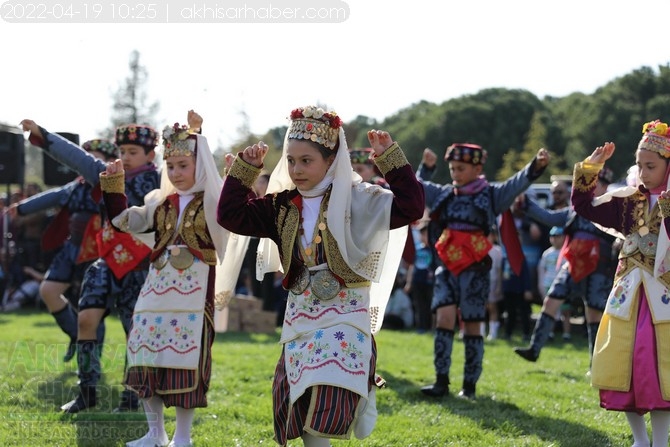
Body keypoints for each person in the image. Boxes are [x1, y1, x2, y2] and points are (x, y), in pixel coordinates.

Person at [217, 105, 425, 447]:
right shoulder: (280, 206)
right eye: (291, 160)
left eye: (306, 160)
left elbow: (411, 208)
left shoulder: (360, 200)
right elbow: (230, 215)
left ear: (330, 160)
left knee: (325, 390)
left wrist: (391, 160)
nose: (296, 169)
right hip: (300, 316)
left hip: (346, 313)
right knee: (301, 397)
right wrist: (245, 171)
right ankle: (361, 388)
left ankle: (361, 386)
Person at [101, 115, 248, 447]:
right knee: (145, 355)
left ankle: (183, 437)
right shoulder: (158, 201)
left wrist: (233, 171)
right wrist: (114, 188)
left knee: (186, 360)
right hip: (155, 292)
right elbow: (125, 220)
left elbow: (236, 215)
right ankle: (155, 434)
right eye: (170, 166)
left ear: (200, 164)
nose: (176, 173)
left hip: (195, 296)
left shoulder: (214, 199)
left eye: (183, 165)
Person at [20, 117, 161, 414]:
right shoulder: (109, 174)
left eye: (133, 151)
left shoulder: (163, 181)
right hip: (106, 260)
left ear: (150, 155)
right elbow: (78, 158)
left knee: (134, 333)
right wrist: (44, 136)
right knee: (85, 321)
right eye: (122, 151)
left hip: (142, 266)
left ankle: (131, 396)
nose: (125, 157)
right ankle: (87, 392)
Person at [417, 143, 549, 399]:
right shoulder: (444, 194)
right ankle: (441, 381)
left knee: (472, 324)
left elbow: (515, 184)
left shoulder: (491, 195)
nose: (455, 173)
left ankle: (469, 385)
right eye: (452, 168)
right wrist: (426, 168)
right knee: (443, 318)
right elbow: (415, 188)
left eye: (461, 168)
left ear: (477, 168)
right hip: (446, 267)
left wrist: (535, 166)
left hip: (475, 269)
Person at [571, 120, 670, 447]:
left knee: (657, 369)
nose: (643, 172)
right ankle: (640, 440)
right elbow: (583, 206)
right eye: (639, 165)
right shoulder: (627, 201)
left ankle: (660, 442)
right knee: (624, 364)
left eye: (651, 166)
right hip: (627, 296)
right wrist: (590, 169)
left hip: (664, 299)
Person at [7, 139, 117, 361]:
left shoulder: (112, 186)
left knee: (94, 310)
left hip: (97, 253)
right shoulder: (75, 186)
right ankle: (76, 334)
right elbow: (53, 196)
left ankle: (90, 369)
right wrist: (22, 208)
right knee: (48, 290)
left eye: (97, 158)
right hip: (72, 248)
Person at [513, 167, 617, 364]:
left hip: (599, 268)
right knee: (551, 300)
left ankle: (595, 364)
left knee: (594, 314)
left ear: (605, 187)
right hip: (572, 264)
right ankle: (534, 349)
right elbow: (549, 217)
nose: (592, 188)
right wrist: (527, 205)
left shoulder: (613, 213)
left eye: (597, 185)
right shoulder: (575, 210)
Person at [536, 226, 568, 340]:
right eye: (552, 236)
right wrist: (541, 285)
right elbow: (542, 270)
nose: (555, 239)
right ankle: (550, 333)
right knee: (550, 310)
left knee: (565, 311)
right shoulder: (546, 253)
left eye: (558, 236)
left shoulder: (566, 252)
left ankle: (566, 333)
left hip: (563, 284)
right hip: (548, 284)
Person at [405, 219, 435, 334]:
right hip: (418, 281)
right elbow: (412, 266)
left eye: (426, 233)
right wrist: (409, 282)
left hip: (431, 281)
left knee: (431, 305)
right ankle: (421, 327)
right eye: (422, 233)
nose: (424, 236)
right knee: (420, 305)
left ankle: (432, 327)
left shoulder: (434, 249)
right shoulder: (417, 248)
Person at [485, 228, 503, 340]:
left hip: (494, 282)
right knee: (482, 307)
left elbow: (500, 270)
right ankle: (481, 330)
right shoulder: (479, 249)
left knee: (492, 307)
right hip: (482, 283)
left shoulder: (497, 251)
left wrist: (499, 286)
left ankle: (493, 332)